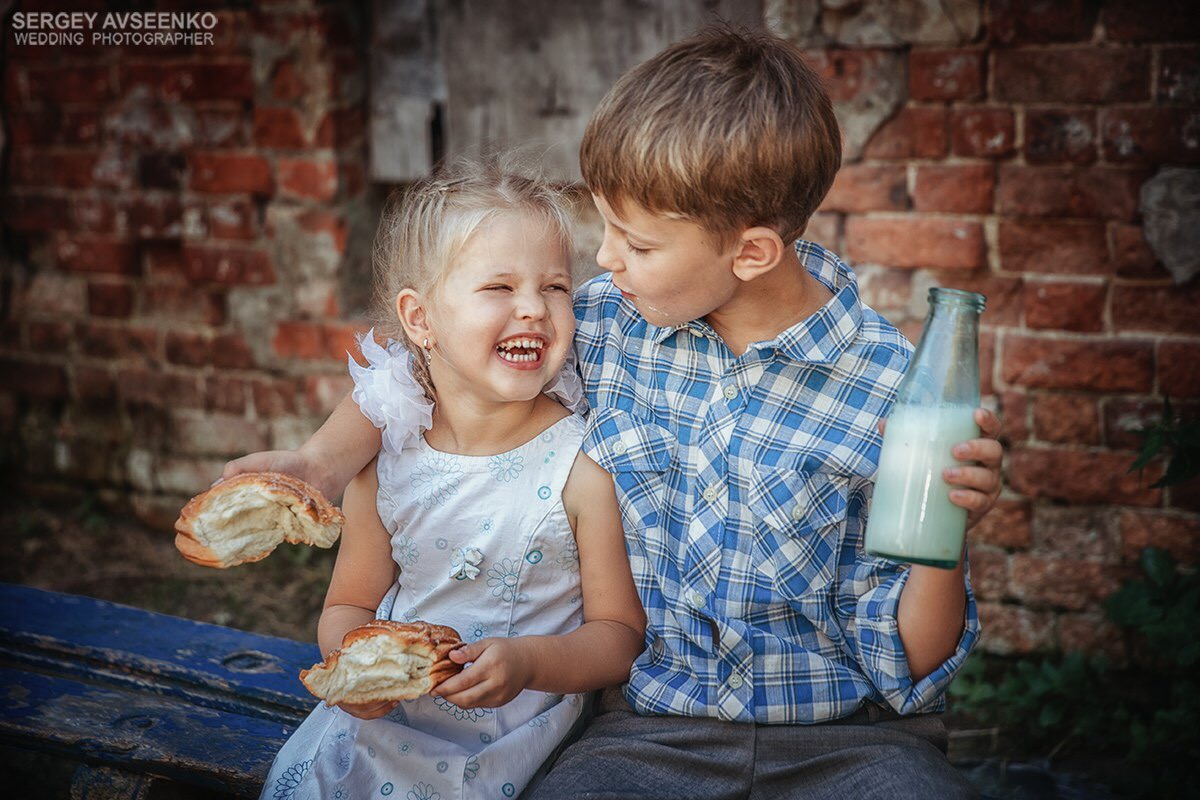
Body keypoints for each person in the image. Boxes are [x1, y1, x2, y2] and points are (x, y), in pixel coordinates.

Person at [232, 25, 1002, 799]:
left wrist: (945, 530)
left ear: (752, 253)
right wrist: (320, 466)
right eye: (606, 229)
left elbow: (916, 652)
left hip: (852, 743)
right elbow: (419, 369)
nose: (603, 261)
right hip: (652, 733)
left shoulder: (892, 392)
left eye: (636, 243)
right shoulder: (602, 326)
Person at [257, 157, 646, 800]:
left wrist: (528, 664)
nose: (533, 309)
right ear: (420, 320)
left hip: (517, 737)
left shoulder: (581, 465)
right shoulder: (390, 461)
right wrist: (353, 668)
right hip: (384, 733)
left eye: (554, 287)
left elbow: (618, 637)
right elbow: (348, 605)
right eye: (499, 288)